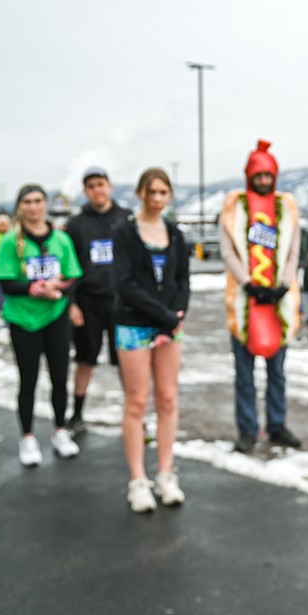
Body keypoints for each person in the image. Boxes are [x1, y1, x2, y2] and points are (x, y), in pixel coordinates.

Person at [112, 168, 189, 512]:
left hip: (169, 327)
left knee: (168, 398)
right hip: (133, 325)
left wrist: (175, 316)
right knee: (137, 401)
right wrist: (164, 317)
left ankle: (166, 474)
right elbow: (125, 283)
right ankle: (137, 480)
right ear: (141, 193)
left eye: (163, 192)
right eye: (152, 192)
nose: (158, 199)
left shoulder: (175, 233)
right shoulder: (124, 232)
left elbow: (183, 280)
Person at [219, 140, 302, 453]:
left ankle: (277, 424)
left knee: (277, 372)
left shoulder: (288, 208)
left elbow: (294, 249)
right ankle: (247, 429)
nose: (264, 181)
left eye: (269, 175)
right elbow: (228, 251)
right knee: (244, 373)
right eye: (259, 175)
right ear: (250, 175)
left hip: (278, 301)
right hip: (245, 301)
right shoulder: (234, 207)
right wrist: (247, 283)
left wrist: (283, 283)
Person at [0, 184, 82, 466]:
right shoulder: (10, 240)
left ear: (46, 204)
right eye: (27, 201)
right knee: (28, 379)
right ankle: (27, 436)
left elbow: (73, 276)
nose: (33, 206)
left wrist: (60, 290)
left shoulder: (61, 240)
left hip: (55, 317)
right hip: (24, 319)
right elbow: (5, 282)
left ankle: (59, 429)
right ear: (20, 206)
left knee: (59, 376)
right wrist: (33, 288)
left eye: (38, 201)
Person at [64, 166, 130, 434]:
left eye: (100, 184)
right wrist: (72, 303)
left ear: (110, 186)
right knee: (85, 359)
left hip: (122, 302)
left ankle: (134, 413)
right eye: (91, 186)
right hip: (88, 302)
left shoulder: (126, 219)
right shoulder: (77, 224)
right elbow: (68, 267)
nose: (96, 190)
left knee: (126, 361)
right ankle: (77, 413)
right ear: (85, 191)